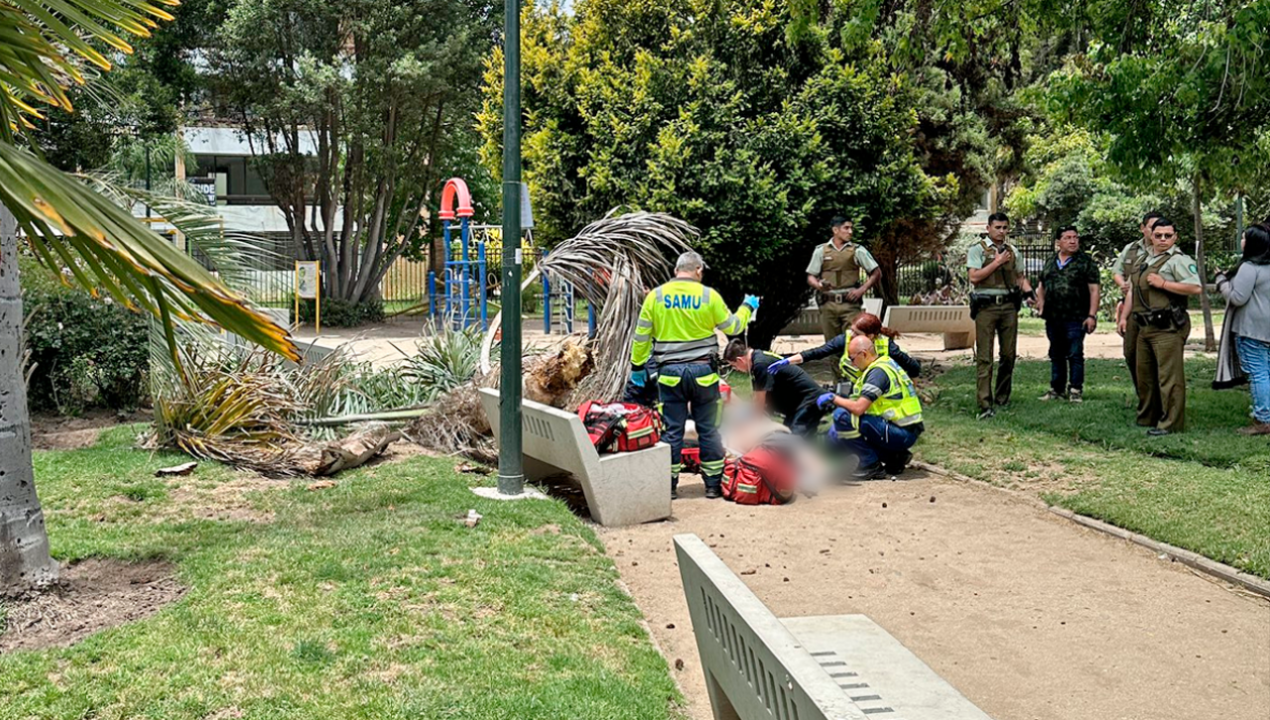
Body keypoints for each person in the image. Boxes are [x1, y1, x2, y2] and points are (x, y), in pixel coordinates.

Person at [629, 251, 757, 499]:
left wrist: (637, 367)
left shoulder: (655, 297)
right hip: (704, 375)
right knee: (708, 429)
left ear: (677, 270)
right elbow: (734, 327)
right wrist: (746, 307)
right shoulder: (708, 295)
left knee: (672, 431)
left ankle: (669, 486)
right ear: (698, 270)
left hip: (669, 376)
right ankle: (711, 485)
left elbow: (642, 335)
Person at [1118, 219, 1202, 435]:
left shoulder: (1178, 260)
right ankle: (1147, 417)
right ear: (1151, 236)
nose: (1163, 239)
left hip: (1167, 327)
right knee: (1144, 376)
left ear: (1175, 237)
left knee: (1169, 378)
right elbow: (1132, 291)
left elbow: (1195, 287)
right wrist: (1124, 317)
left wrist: (1164, 284)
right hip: (1143, 326)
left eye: (1168, 235)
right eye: (1158, 235)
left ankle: (1170, 424)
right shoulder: (1143, 259)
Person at [817, 336, 924, 479]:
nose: (852, 364)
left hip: (900, 432)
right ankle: (895, 457)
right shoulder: (883, 364)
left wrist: (833, 399)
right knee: (841, 436)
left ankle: (870, 465)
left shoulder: (878, 373)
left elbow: (859, 408)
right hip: (902, 429)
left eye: (852, 358)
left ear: (864, 354)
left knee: (842, 417)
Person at [967, 212, 1034, 419]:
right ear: (988, 228)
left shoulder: (1013, 251)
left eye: (1005, 228)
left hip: (1008, 306)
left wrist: (1030, 294)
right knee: (985, 357)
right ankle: (985, 403)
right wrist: (996, 263)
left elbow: (1020, 277)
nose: (1001, 231)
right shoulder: (977, 250)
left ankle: (1002, 397)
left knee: (1008, 355)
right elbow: (974, 277)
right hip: (986, 307)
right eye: (997, 227)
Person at [1035, 225, 1101, 402]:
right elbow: (1041, 285)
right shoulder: (1050, 261)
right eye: (1067, 238)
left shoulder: (1085, 262)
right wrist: (1041, 305)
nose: (1072, 241)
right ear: (1058, 242)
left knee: (1075, 353)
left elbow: (1094, 290)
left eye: (1075, 237)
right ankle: (1057, 389)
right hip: (1053, 317)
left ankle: (1076, 389)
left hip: (1076, 317)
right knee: (1056, 354)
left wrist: (1092, 315)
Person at [1215, 223, 1270, 435]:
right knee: (1267, 372)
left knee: (1258, 374)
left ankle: (1263, 420)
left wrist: (1222, 282)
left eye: (1245, 237)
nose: (1242, 241)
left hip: (1252, 330)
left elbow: (1238, 298)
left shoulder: (1250, 267)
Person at [767, 312, 921, 387]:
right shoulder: (844, 340)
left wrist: (912, 389)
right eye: (852, 330)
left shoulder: (888, 347)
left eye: (857, 333)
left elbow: (913, 367)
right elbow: (818, 352)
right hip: (858, 388)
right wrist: (787, 361)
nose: (851, 335)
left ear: (871, 336)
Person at [722, 339, 826, 438]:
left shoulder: (760, 365)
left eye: (734, 366)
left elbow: (760, 401)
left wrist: (754, 426)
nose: (736, 370)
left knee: (795, 439)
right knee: (788, 435)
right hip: (798, 403)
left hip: (808, 399)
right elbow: (757, 395)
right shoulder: (758, 358)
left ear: (740, 360)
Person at [806, 215, 882, 342]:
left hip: (850, 304)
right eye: (846, 228)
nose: (850, 232)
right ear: (835, 230)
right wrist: (819, 285)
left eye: (851, 228)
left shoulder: (858, 250)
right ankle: (833, 363)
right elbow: (811, 276)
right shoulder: (821, 251)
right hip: (828, 304)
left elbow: (876, 272)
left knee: (852, 343)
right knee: (831, 345)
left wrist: (861, 290)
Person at [1112, 212, 1162, 394]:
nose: (1156, 232)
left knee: (1155, 355)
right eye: (1152, 227)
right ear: (1143, 229)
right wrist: (1123, 285)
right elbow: (1117, 271)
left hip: (1156, 309)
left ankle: (1156, 396)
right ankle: (1143, 393)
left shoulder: (1168, 251)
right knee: (1131, 352)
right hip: (1132, 307)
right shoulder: (1131, 249)